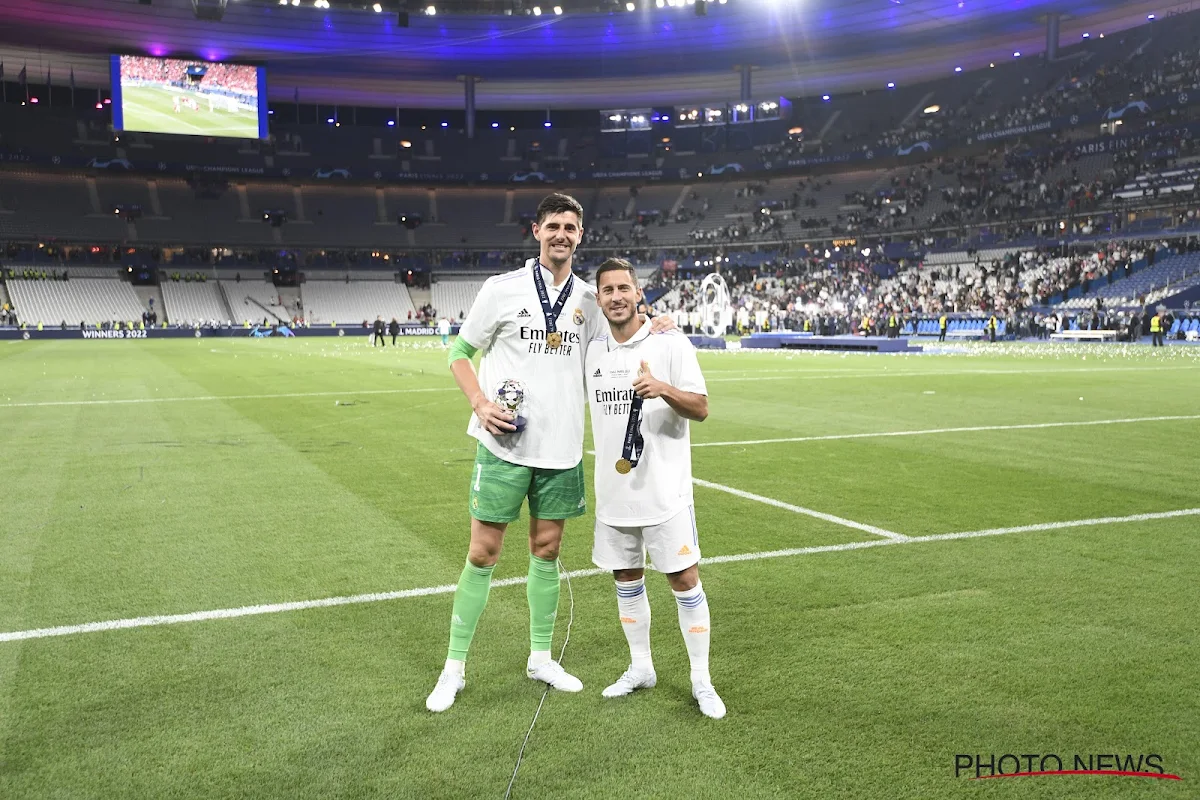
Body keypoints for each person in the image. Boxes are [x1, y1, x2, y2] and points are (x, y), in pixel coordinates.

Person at [425, 193, 674, 713]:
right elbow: (459, 352)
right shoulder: (502, 289)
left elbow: (629, 332)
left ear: (580, 236)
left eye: (571, 227)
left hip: (561, 451)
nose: (561, 234)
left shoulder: (590, 300)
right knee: (482, 554)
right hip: (504, 444)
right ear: (535, 230)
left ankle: (540, 658)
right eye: (553, 226)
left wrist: (660, 324)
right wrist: (479, 401)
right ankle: (454, 668)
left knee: (547, 553)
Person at [585, 258, 723, 719]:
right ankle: (641, 667)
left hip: (666, 494)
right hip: (614, 494)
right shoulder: (592, 347)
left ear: (639, 293)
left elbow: (701, 408)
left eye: (624, 287)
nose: (617, 296)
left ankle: (701, 679)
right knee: (626, 579)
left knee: (684, 582)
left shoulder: (669, 340)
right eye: (608, 290)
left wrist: (661, 387)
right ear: (599, 297)